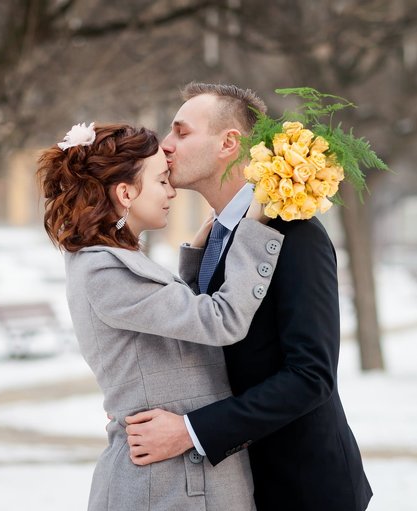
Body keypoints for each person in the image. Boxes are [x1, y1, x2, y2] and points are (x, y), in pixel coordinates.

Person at [124, 83, 373, 511]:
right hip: (238, 485)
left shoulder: (293, 232)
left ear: (228, 143)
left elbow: (310, 376)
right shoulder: (216, 234)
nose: (165, 145)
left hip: (302, 490)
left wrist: (189, 432)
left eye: (181, 132)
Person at [37, 121, 285, 511]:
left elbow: (168, 323)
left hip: (180, 475)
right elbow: (221, 321)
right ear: (125, 192)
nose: (171, 191)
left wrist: (198, 252)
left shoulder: (113, 261)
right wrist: (252, 228)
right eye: (161, 181)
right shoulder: (105, 269)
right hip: (169, 485)